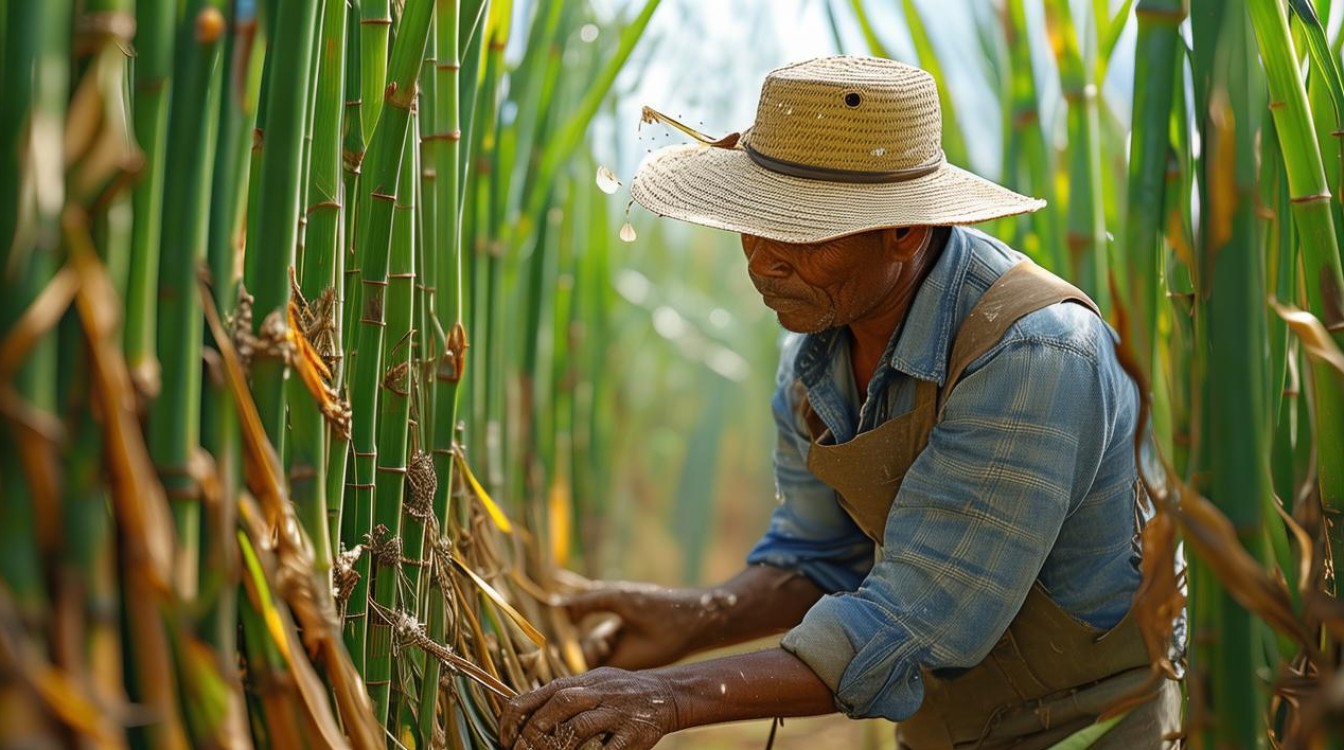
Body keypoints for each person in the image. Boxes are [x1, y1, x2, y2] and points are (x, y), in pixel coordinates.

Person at [500, 56, 1182, 750]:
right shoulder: (819, 354)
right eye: (751, 222)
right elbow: (823, 554)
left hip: (1091, 733)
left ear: (904, 232)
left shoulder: (1034, 356)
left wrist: (671, 697)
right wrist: (695, 618)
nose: (762, 260)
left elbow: (911, 623)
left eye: (798, 230)